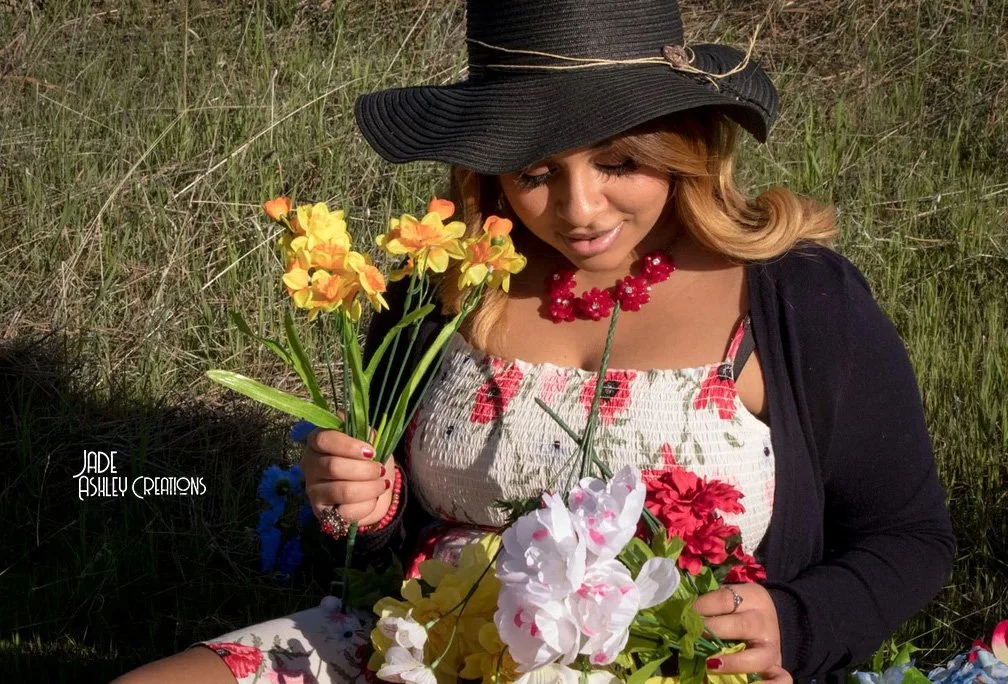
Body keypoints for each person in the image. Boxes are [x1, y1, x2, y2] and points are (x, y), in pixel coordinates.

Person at [113, 1, 955, 683]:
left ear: (685, 140)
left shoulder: (796, 300)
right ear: (488, 170)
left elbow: (909, 536)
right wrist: (361, 509)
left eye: (619, 162)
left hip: (676, 671)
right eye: (535, 172)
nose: (579, 210)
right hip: (421, 654)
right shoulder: (436, 293)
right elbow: (381, 547)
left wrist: (796, 625)